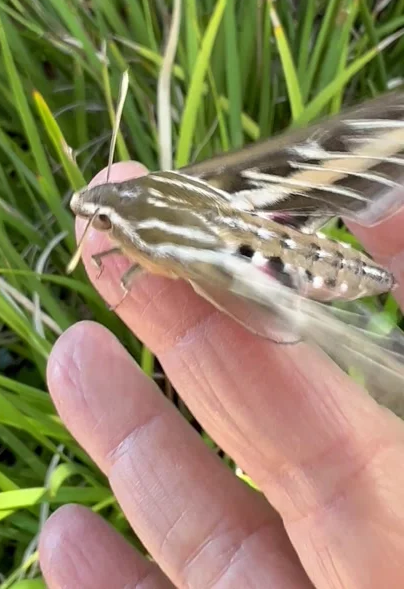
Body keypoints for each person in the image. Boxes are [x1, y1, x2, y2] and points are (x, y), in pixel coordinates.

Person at [39, 162, 404, 588]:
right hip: (271, 233)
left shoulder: (156, 244)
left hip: (291, 261)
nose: (100, 225)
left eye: (103, 222)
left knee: (330, 333)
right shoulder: (163, 210)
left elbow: (142, 258)